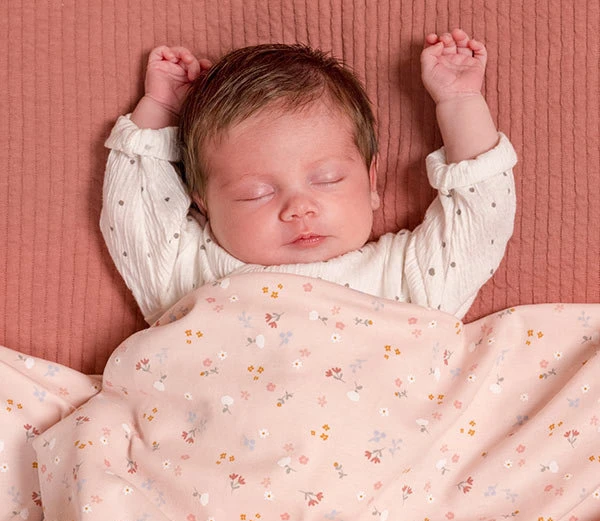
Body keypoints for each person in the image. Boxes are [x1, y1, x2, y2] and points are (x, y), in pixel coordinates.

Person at [101, 29, 517, 324]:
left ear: (371, 181)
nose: (299, 208)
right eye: (256, 193)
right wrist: (162, 111)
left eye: (328, 179)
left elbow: (479, 219)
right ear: (203, 202)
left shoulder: (405, 276)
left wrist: (460, 102)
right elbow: (137, 215)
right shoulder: (188, 272)